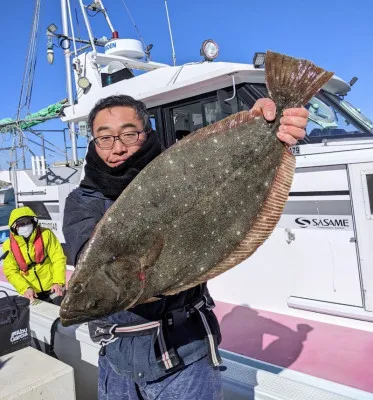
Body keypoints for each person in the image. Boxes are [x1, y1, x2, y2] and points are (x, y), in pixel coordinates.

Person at [62, 94, 308, 399]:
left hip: (185, 357)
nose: (118, 147)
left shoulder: (185, 172)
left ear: (147, 133)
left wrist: (260, 125)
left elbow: (227, 175)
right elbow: (88, 255)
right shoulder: (81, 201)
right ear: (94, 143)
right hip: (117, 361)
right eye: (105, 138)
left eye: (129, 134)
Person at [3, 206, 66, 305]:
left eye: (28, 222)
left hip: (52, 286)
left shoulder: (46, 234)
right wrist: (25, 288)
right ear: (14, 226)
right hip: (31, 292)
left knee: (61, 310)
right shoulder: (8, 245)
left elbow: (58, 258)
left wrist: (58, 281)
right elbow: (11, 271)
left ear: (33, 222)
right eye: (21, 224)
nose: (26, 226)